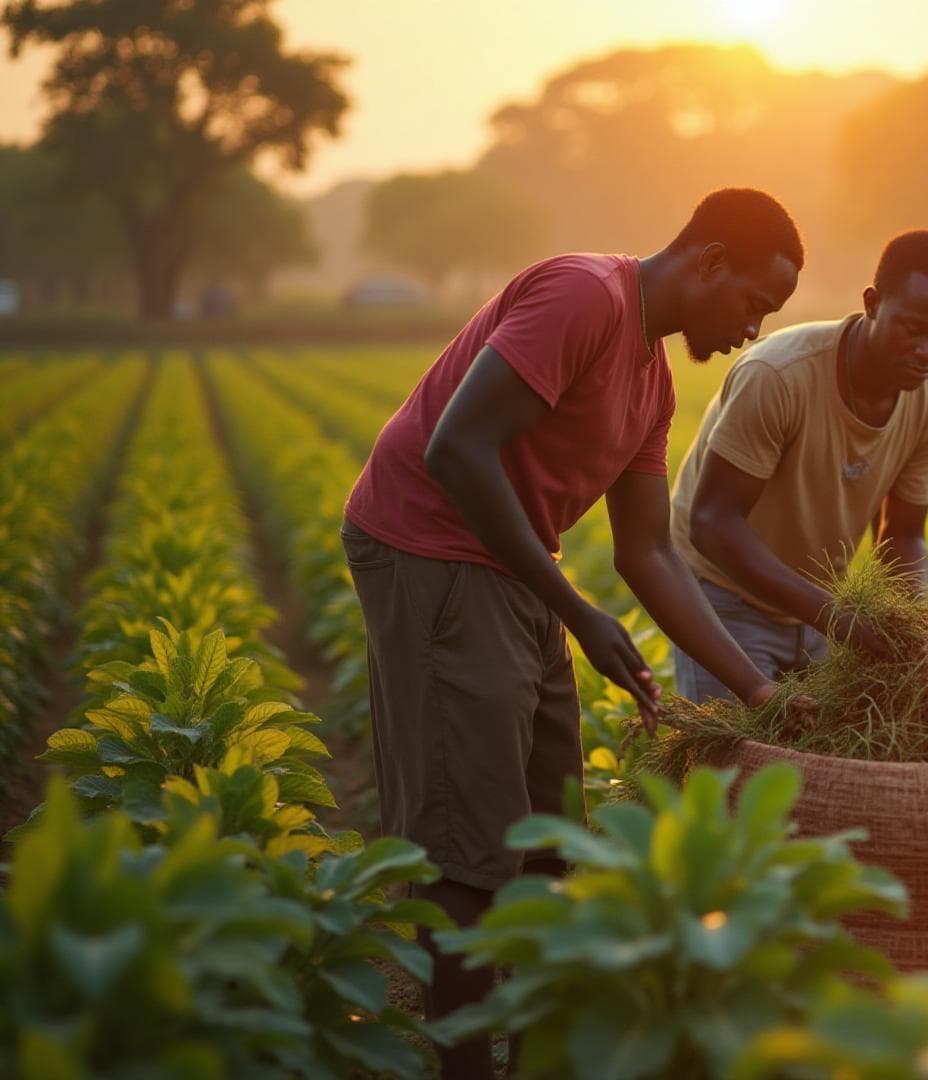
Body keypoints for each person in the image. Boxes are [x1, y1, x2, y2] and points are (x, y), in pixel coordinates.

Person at [339, 187, 803, 1078]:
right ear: (709, 261)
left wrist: (758, 691)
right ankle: (468, 1064)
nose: (751, 330)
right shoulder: (584, 296)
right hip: (430, 551)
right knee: (467, 853)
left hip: (512, 570)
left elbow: (647, 553)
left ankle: (538, 1053)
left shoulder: (653, 381)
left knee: (549, 838)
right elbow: (456, 449)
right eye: (753, 303)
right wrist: (575, 609)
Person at [669, 230, 928, 698]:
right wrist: (837, 618)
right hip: (721, 596)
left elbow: (903, 534)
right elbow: (712, 523)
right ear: (872, 304)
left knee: (818, 765)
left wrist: (915, 631)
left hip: (817, 607)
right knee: (736, 763)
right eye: (913, 330)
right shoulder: (777, 375)